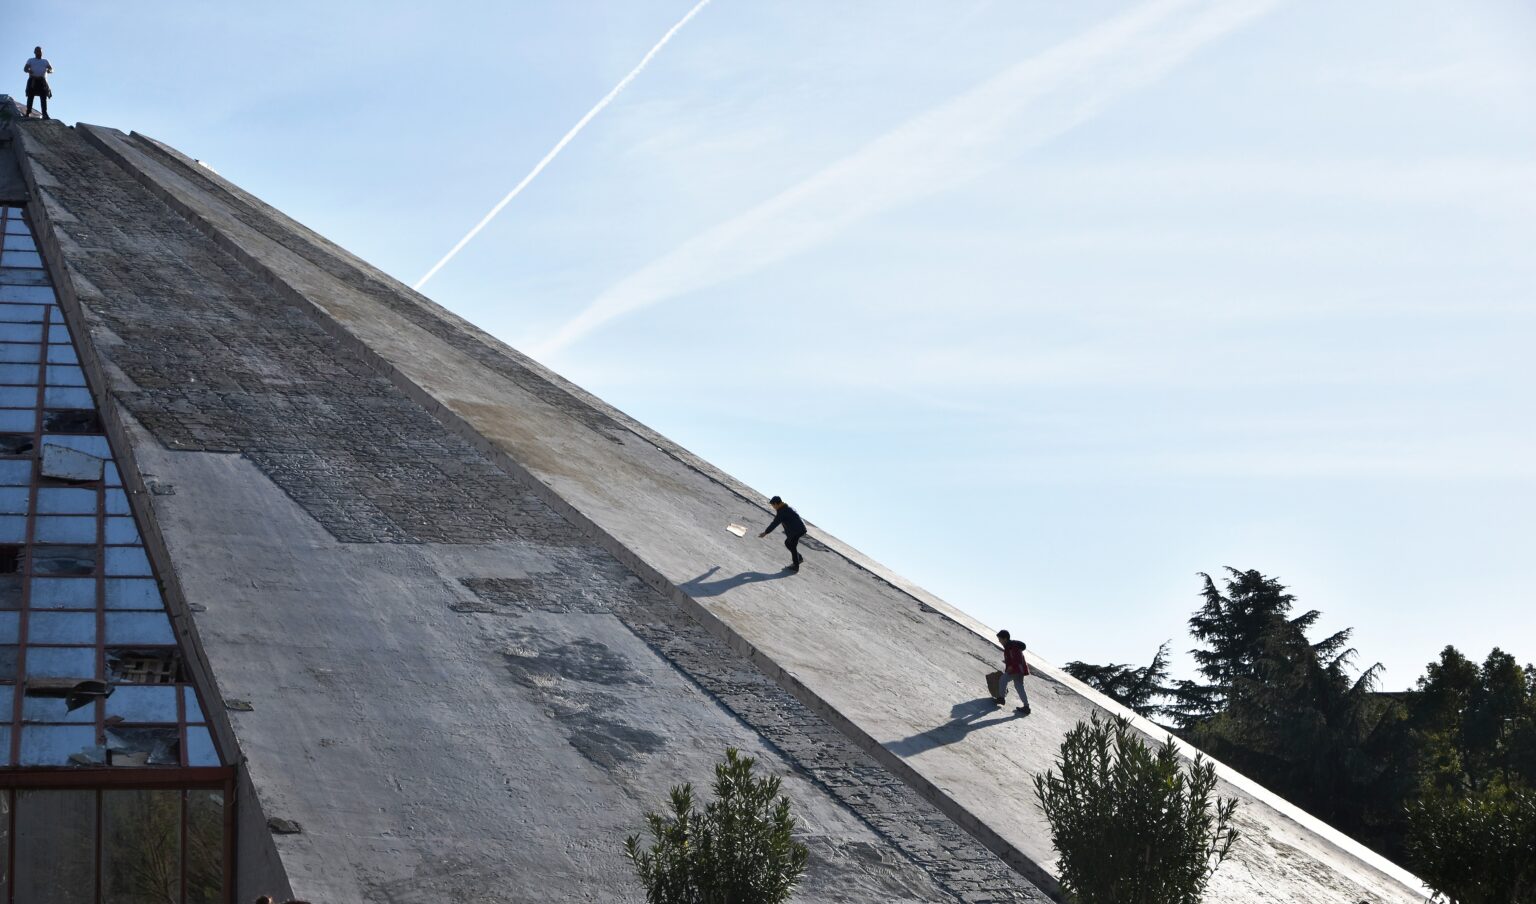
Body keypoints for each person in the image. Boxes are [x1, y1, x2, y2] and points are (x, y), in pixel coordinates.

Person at [758, 495, 807, 572]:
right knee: (788, 543)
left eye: (773, 505)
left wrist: (765, 532)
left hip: (797, 530)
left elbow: (774, 523)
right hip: (799, 529)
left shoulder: (782, 512)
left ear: (776, 504)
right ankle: (799, 558)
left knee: (792, 545)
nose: (773, 507)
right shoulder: (786, 508)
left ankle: (796, 566)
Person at [994, 629, 1031, 714]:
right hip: (1017, 670)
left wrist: (1011, 666)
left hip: (1016, 670)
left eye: (1000, 639)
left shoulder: (1012, 646)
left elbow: (1017, 659)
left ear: (1005, 639)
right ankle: (1026, 706)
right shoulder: (1009, 646)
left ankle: (1001, 698)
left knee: (1005, 680)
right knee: (1017, 686)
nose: (999, 641)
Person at [23, 47, 51, 120]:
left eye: (40, 51)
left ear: (42, 52)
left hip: (42, 80)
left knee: (43, 97)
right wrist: (29, 71)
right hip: (33, 79)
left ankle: (44, 114)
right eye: (37, 51)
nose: (39, 53)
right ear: (34, 52)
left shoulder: (45, 61)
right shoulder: (30, 60)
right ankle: (28, 113)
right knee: (30, 96)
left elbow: (51, 69)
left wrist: (49, 70)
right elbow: (25, 69)